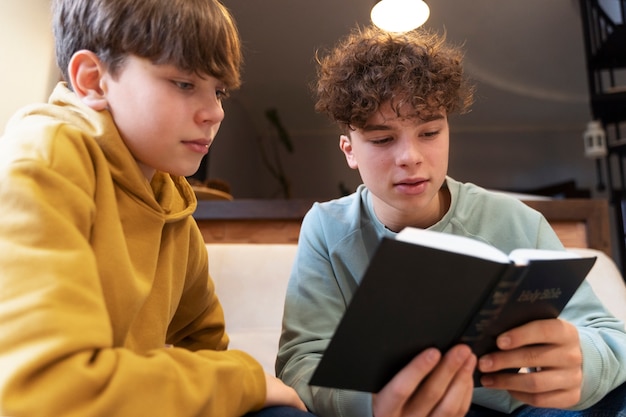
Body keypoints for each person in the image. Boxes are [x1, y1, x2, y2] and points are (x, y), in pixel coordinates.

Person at [275, 25, 626, 417]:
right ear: (349, 150)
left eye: (429, 132)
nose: (410, 156)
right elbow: (299, 362)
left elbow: (610, 337)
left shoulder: (517, 220)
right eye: (382, 139)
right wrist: (373, 405)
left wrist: (585, 363)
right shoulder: (327, 228)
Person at [0, 1, 315, 416]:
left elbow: (206, 350)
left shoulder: (172, 201)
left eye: (218, 90)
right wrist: (247, 378)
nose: (215, 112)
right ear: (93, 80)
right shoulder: (46, 155)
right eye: (184, 83)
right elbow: (47, 390)